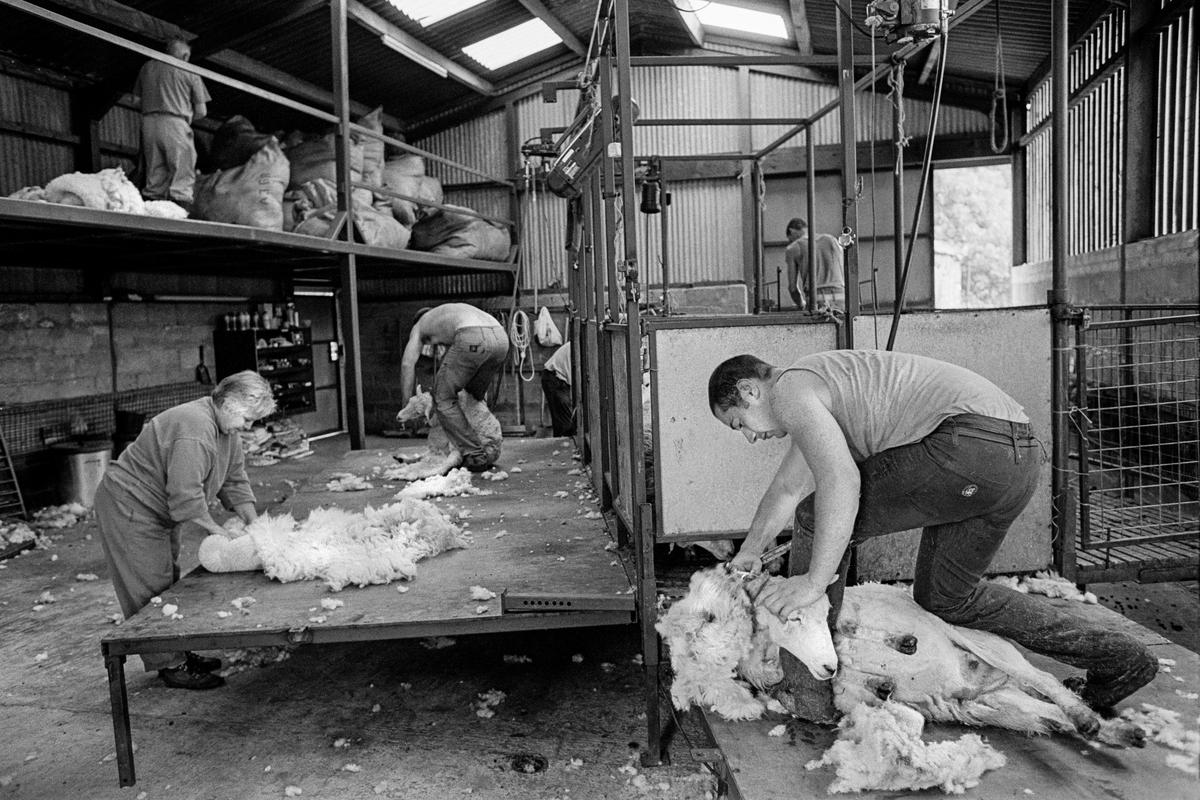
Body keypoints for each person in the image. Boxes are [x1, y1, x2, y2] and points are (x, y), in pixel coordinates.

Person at [709, 349, 1157, 714]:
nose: (749, 437)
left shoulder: (790, 389)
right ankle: (1119, 659)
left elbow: (840, 483)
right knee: (946, 597)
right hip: (1015, 459)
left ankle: (805, 691)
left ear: (751, 390)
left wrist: (811, 583)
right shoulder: (818, 393)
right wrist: (750, 550)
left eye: (739, 423)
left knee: (817, 516)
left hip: (967, 443)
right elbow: (787, 487)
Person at [94, 371, 275, 690]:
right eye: (247, 418)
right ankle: (170, 664)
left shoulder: (227, 432)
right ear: (231, 404)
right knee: (146, 584)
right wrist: (218, 530)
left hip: (158, 508)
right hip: (130, 506)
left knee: (166, 579)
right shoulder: (195, 427)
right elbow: (184, 495)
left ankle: (177, 650)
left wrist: (255, 524)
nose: (248, 427)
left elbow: (235, 481)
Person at [400, 303, 509, 472]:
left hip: (473, 337)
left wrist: (407, 402)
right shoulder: (448, 315)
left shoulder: (420, 325)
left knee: (442, 397)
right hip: (501, 338)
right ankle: (486, 442)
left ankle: (475, 454)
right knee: (471, 396)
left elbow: (407, 364)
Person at [132, 37, 210, 210]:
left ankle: (154, 212)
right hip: (176, 122)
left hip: (149, 124)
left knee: (155, 175)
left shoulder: (147, 67)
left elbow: (136, 101)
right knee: (182, 174)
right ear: (184, 56)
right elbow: (202, 111)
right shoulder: (188, 70)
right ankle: (179, 214)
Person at [784, 218, 844, 313]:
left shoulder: (793, 248)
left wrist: (801, 304)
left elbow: (792, 288)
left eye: (790, 239)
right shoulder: (831, 240)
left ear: (791, 231)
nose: (791, 241)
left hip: (816, 300)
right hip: (841, 297)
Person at [541, 341, 576, 437]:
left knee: (562, 420)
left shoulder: (575, 345)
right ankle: (564, 445)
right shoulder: (576, 347)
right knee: (565, 423)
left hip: (556, 377)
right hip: (554, 377)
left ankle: (561, 444)